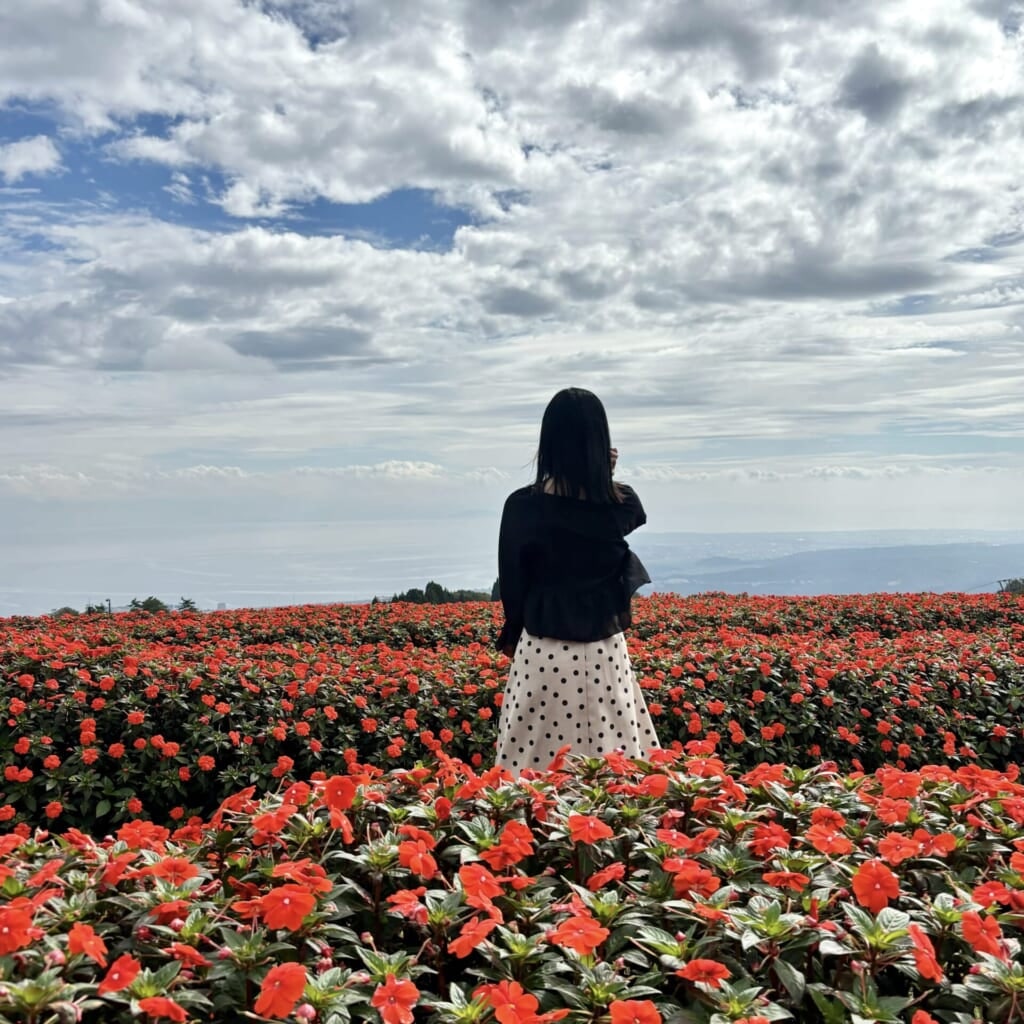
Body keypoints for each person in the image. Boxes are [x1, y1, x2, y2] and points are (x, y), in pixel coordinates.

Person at [494, 387, 660, 775]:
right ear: (601, 443)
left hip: (542, 652)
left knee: (531, 771)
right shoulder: (621, 502)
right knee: (611, 767)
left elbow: (512, 588)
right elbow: (625, 516)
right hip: (605, 654)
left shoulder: (522, 507)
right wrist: (603, 476)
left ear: (547, 443)